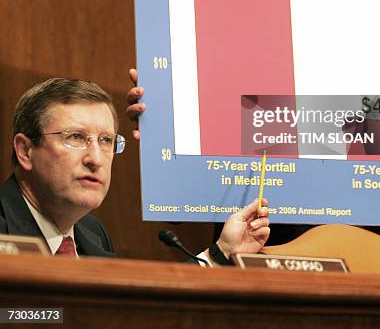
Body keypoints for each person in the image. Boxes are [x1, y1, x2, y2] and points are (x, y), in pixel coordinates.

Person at [127, 69, 380, 245]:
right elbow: (195, 186)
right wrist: (166, 121)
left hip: (372, 286)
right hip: (263, 276)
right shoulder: (243, 76)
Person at [0, 78, 269, 261]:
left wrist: (221, 252)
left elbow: (120, 312)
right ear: (25, 151)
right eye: (75, 138)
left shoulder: (92, 233)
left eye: (106, 140)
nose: (95, 158)